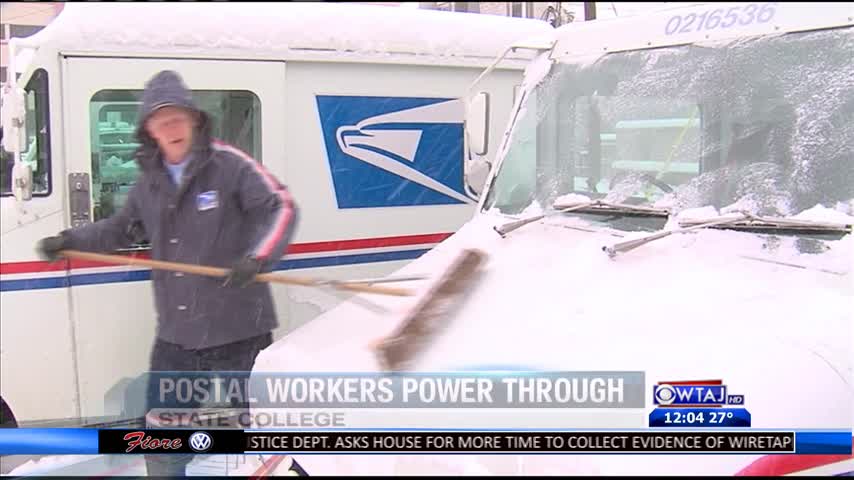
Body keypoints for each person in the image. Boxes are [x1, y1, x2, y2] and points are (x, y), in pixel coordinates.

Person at [36, 70, 299, 476]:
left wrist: (257, 258)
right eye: (162, 120)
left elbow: (280, 206)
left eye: (178, 117)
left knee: (260, 430)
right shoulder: (149, 184)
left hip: (239, 331)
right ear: (150, 130)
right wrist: (67, 241)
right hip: (177, 335)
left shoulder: (228, 164)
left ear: (194, 120)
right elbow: (118, 230)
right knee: (162, 436)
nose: (172, 126)